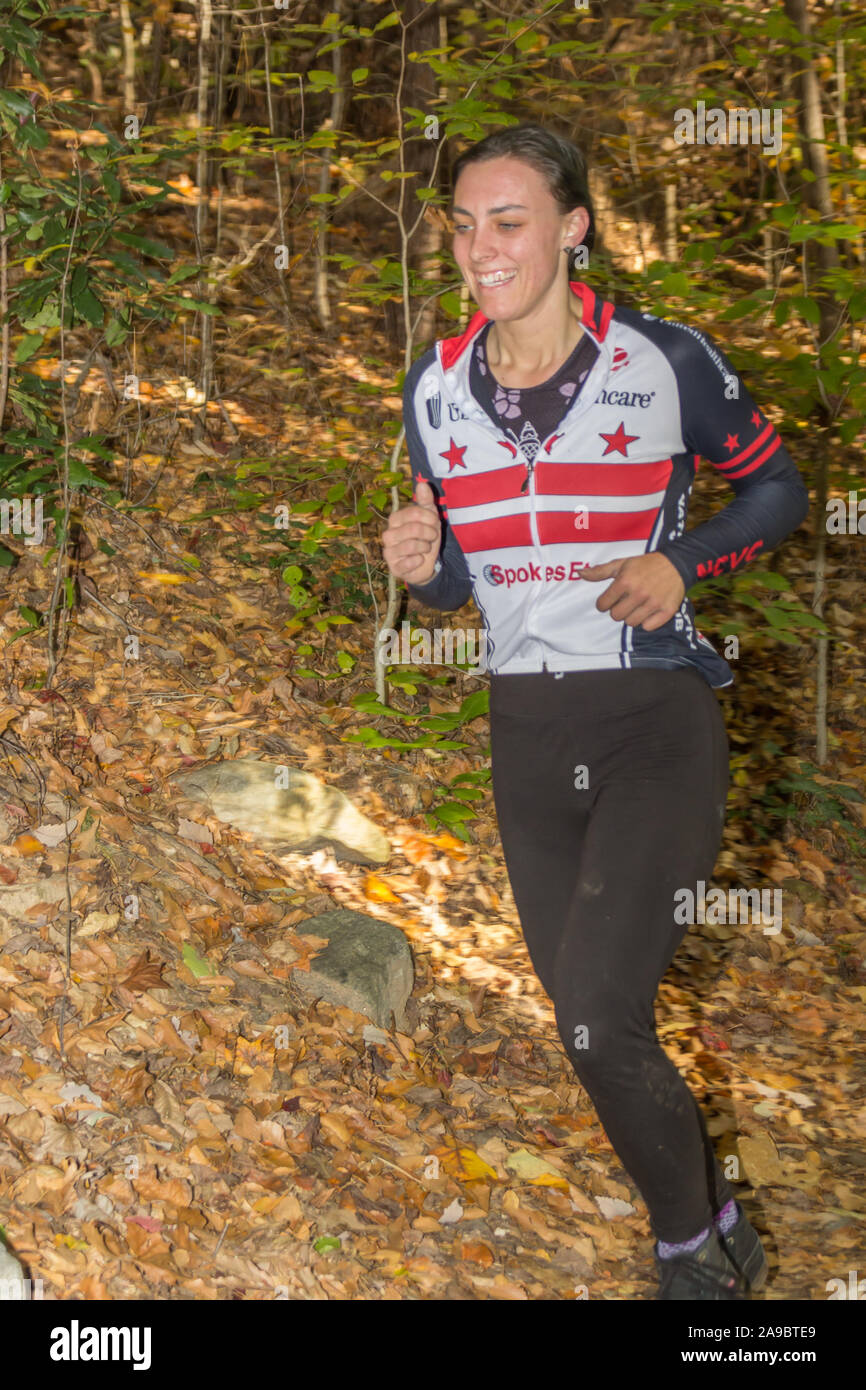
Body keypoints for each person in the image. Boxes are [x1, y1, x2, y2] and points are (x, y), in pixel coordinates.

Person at [381, 123, 809, 1300]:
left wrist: (688, 562)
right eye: (463, 224)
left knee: (595, 1019)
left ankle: (689, 1268)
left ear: (570, 228)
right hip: (525, 731)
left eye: (506, 220)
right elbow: (464, 586)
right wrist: (423, 570)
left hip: (651, 719)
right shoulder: (435, 389)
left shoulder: (660, 362)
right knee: (585, 1019)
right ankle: (713, 1216)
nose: (480, 246)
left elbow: (777, 485)